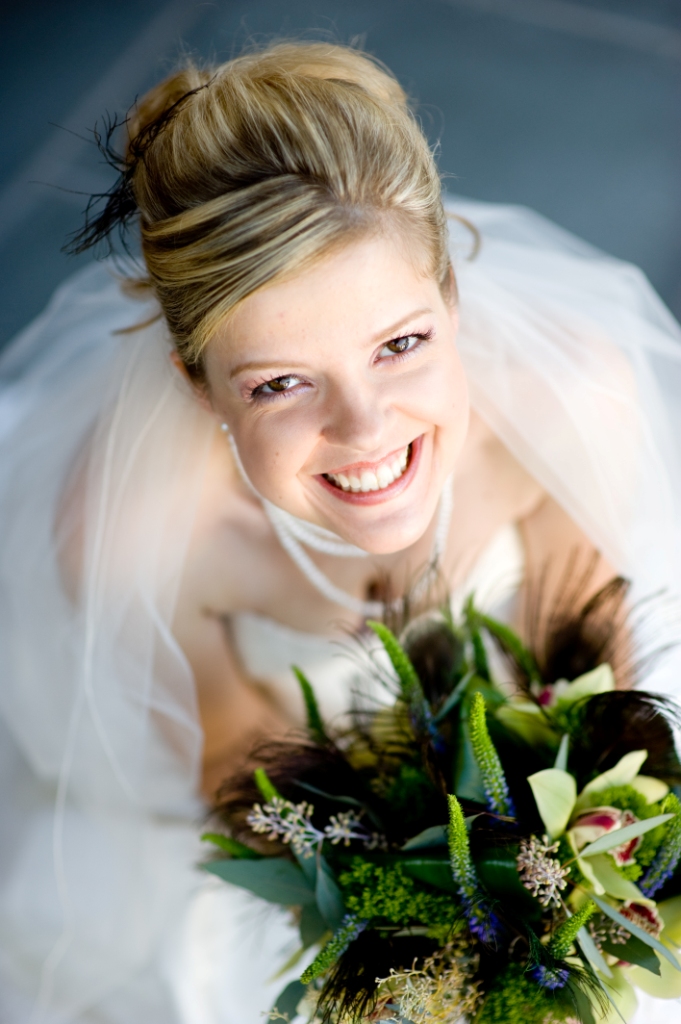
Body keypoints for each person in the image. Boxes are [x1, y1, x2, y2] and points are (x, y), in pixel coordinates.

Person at [1, 40, 680, 1024]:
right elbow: (235, 766)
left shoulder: (565, 405)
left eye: (401, 343)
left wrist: (565, 886)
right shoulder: (143, 534)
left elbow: (584, 650)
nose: (367, 433)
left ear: (452, 294)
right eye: (279, 383)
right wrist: (409, 933)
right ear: (197, 385)